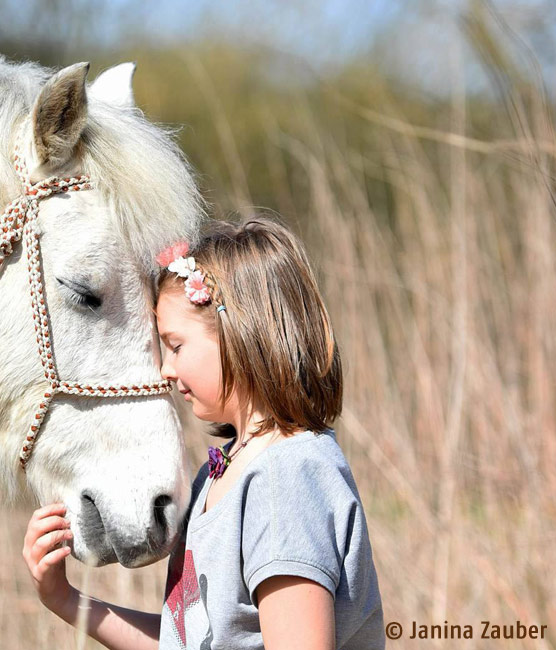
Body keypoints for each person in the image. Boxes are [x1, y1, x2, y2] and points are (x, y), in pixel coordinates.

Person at [22, 217, 385, 649]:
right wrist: (66, 600)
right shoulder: (222, 472)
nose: (165, 368)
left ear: (239, 334)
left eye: (175, 345)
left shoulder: (285, 479)